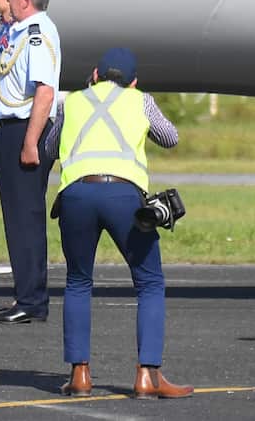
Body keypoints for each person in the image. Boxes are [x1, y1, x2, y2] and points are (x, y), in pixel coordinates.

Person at [43, 47, 193, 399]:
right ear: (134, 81)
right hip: (124, 196)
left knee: (78, 281)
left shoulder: (72, 102)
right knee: (150, 282)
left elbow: (51, 147)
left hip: (77, 194)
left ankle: (79, 374)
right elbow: (170, 137)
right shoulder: (140, 100)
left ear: (94, 74)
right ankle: (148, 375)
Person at [0, 0, 61, 324]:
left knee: (27, 219)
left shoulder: (37, 33)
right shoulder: (15, 31)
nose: (8, 1)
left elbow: (44, 93)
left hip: (23, 130)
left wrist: (31, 142)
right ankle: (24, 295)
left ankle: (32, 300)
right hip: (5, 129)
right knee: (15, 219)